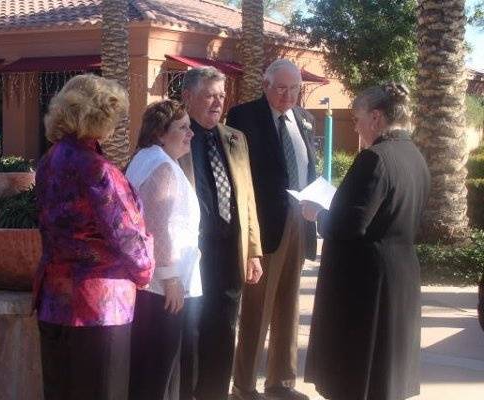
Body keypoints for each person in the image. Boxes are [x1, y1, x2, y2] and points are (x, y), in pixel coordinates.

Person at [301, 83, 431, 400]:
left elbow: (350, 224)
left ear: (376, 117)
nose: (356, 125)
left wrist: (317, 215)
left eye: (357, 117)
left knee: (358, 376)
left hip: (366, 284)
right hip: (399, 274)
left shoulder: (374, 158)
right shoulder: (414, 156)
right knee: (386, 376)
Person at [33, 74, 154, 400]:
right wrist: (145, 270)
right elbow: (128, 237)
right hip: (99, 308)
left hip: (54, 301)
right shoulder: (99, 170)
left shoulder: (48, 162)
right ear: (99, 117)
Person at [226, 59, 317, 400]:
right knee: (256, 309)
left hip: (300, 221)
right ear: (265, 85)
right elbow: (239, 176)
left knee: (289, 305)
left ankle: (282, 382)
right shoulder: (243, 117)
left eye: (294, 88)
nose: (288, 94)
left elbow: (308, 169)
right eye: (281, 88)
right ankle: (244, 386)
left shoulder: (305, 119)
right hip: (262, 226)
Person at [179, 66, 263, 400]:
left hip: (229, 250)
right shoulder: (174, 137)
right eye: (209, 95)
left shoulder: (235, 138)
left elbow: (248, 199)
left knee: (225, 328)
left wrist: (253, 250)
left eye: (221, 95)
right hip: (191, 253)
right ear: (187, 97)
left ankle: (215, 393)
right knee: (191, 329)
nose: (218, 102)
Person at [126, 100, 202, 400]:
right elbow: (157, 227)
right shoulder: (162, 167)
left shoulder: (147, 158)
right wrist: (170, 278)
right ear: (160, 133)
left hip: (153, 283)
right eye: (182, 128)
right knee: (158, 369)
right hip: (163, 287)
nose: (190, 134)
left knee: (150, 367)